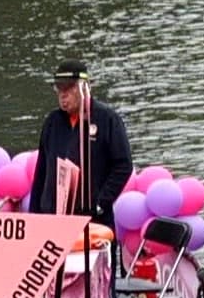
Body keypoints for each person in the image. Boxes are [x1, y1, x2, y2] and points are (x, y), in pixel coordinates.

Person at [28, 59, 133, 227]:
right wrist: (35, 215)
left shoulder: (107, 119)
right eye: (59, 88)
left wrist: (100, 203)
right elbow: (42, 170)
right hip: (54, 218)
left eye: (69, 88)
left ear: (84, 87)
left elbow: (123, 165)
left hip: (92, 219)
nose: (63, 94)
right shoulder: (52, 122)